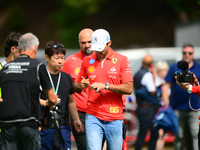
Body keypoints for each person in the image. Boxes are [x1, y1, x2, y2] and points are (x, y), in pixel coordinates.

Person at [73, 29, 133, 150]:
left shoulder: (122, 60)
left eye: (101, 48)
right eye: (96, 48)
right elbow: (76, 86)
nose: (98, 52)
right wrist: (81, 86)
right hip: (92, 115)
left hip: (114, 117)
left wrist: (106, 86)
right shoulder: (87, 60)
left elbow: (129, 88)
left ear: (109, 43)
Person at [0, 33, 57, 150]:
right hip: (29, 123)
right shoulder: (38, 66)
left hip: (7, 124)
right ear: (34, 48)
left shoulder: (5, 68)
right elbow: (52, 98)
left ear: (19, 48)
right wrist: (49, 108)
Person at [40, 41, 84, 150]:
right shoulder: (39, 76)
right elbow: (33, 99)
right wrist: (46, 102)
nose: (60, 61)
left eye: (62, 58)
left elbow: (71, 101)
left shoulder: (67, 78)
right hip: (44, 126)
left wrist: (76, 120)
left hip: (63, 125)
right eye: (56, 58)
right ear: (47, 57)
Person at [162, 43, 200, 150]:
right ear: (182, 53)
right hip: (177, 108)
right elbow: (166, 86)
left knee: (195, 135)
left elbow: (198, 87)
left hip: (195, 108)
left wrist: (193, 85)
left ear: (193, 54)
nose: (187, 55)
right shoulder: (174, 67)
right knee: (179, 135)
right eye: (184, 53)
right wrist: (166, 105)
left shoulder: (198, 67)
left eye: (190, 53)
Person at [61, 28, 93, 150]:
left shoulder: (101, 60)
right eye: (83, 43)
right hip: (80, 113)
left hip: (99, 112)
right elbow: (63, 87)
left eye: (90, 42)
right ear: (79, 43)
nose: (87, 45)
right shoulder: (70, 61)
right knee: (83, 146)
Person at [133, 54, 159, 150]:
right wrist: (154, 76)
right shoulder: (148, 75)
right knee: (152, 132)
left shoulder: (137, 73)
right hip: (148, 108)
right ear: (151, 64)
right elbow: (152, 91)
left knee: (143, 132)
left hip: (140, 107)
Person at [154, 60, 170, 150]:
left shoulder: (168, 82)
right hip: (158, 110)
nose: (163, 72)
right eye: (161, 70)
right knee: (160, 134)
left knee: (162, 134)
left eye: (165, 70)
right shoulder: (156, 82)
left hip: (166, 109)